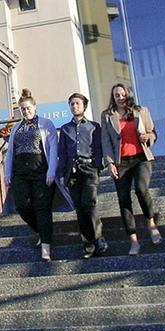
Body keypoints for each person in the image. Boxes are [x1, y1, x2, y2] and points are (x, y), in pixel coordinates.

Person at [101, 83, 159, 255]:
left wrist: (148, 136)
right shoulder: (107, 115)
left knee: (141, 189)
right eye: (116, 95)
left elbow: (153, 133)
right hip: (121, 162)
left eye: (122, 94)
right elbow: (106, 141)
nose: (120, 98)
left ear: (128, 94)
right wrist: (110, 163)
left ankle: (151, 222)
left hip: (141, 158)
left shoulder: (141, 111)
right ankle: (133, 239)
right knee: (123, 198)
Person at [3, 89, 61, 261]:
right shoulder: (16, 128)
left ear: (35, 107)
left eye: (28, 108)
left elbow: (53, 149)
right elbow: (10, 153)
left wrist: (51, 171)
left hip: (40, 171)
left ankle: (45, 248)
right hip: (21, 172)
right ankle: (42, 231)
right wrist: (8, 174)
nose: (26, 112)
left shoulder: (45, 123)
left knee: (42, 208)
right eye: (22, 109)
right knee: (22, 206)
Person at [60, 92, 118, 258]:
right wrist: (62, 173)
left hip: (89, 169)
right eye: (72, 104)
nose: (74, 106)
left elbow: (99, 148)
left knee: (89, 203)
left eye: (77, 103)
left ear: (84, 106)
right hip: (72, 171)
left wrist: (97, 165)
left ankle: (99, 238)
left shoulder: (94, 127)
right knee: (79, 207)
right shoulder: (65, 129)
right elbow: (62, 153)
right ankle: (87, 243)